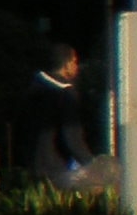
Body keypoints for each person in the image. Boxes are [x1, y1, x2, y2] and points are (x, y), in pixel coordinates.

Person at [12, 38, 101, 190]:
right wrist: (91, 165)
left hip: (30, 165)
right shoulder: (65, 94)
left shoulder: (32, 89)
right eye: (74, 62)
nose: (76, 67)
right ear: (66, 64)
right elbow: (72, 138)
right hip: (56, 169)